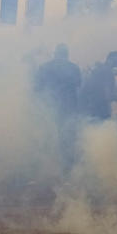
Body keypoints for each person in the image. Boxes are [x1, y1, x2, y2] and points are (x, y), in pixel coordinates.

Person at [34, 43, 82, 173]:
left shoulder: (44, 67)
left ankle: (47, 167)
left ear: (55, 53)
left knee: (48, 137)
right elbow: (78, 86)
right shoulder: (74, 68)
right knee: (67, 139)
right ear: (67, 54)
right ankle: (67, 169)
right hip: (68, 108)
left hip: (49, 108)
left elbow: (36, 88)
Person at [79, 51, 117, 121]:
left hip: (89, 109)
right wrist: (116, 97)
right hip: (100, 111)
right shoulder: (108, 72)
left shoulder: (97, 70)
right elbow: (107, 96)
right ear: (112, 61)